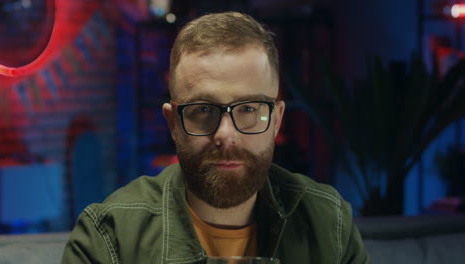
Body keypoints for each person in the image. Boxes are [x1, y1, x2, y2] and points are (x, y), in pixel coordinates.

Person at [62, 11, 369, 263]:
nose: (226, 135)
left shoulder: (329, 225)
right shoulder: (109, 239)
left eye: (248, 108)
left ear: (276, 120)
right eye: (203, 110)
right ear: (172, 123)